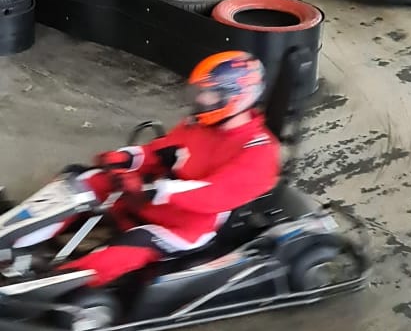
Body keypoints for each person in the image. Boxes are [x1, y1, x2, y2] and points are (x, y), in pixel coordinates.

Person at [77, 51, 281, 286]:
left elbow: (212, 193)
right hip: (154, 202)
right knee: (87, 180)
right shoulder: (198, 124)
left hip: (188, 228)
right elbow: (161, 151)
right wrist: (126, 158)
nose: (201, 99)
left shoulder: (259, 152)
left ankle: (51, 286)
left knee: (128, 247)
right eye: (200, 91)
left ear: (236, 98)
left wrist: (151, 190)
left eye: (210, 93)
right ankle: (36, 232)